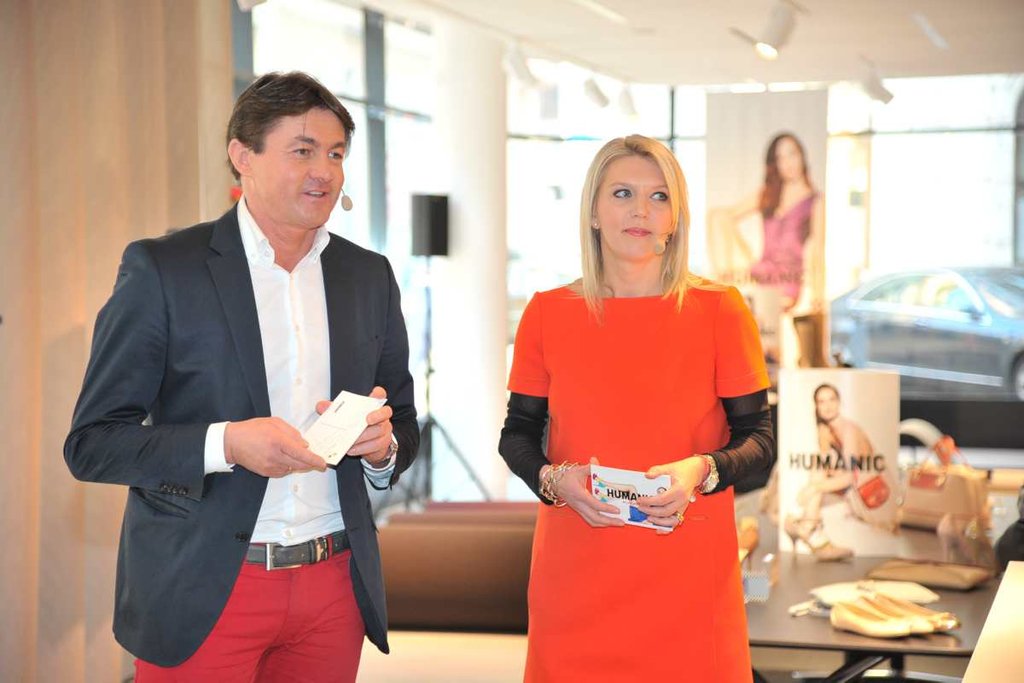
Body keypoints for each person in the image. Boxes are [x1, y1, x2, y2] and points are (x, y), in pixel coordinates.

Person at [64, 71, 418, 682]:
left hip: (334, 584)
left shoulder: (369, 276)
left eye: (336, 154)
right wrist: (226, 443)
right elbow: (93, 443)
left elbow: (404, 418)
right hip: (206, 586)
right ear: (242, 156)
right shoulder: (165, 270)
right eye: (303, 150)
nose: (325, 171)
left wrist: (383, 449)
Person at [498, 135, 775, 682]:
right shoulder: (548, 313)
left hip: (688, 572)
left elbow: (760, 440)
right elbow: (517, 434)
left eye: (659, 196)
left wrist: (701, 470)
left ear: (675, 217)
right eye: (623, 193)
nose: (641, 210)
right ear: (593, 212)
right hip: (577, 571)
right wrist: (553, 480)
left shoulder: (720, 310)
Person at [708, 132, 825, 312]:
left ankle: (725, 289)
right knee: (715, 216)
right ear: (775, 164)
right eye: (780, 158)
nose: (788, 162)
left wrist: (818, 295)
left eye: (792, 154)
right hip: (761, 272)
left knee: (759, 311)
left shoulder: (815, 201)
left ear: (801, 155)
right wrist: (742, 249)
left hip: (787, 279)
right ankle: (722, 287)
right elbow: (724, 217)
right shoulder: (768, 194)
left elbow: (817, 251)